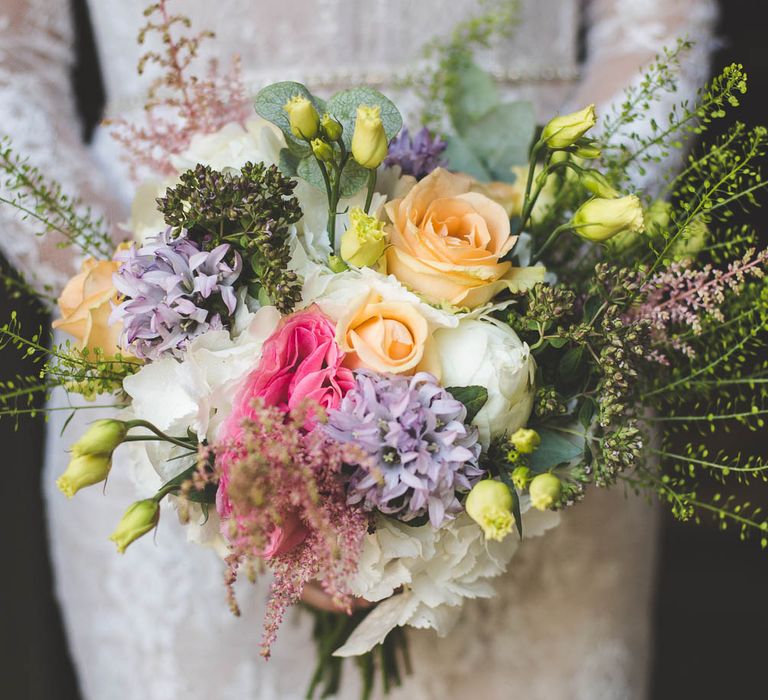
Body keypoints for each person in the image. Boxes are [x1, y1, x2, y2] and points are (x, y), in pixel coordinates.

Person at [0, 1, 717, 698]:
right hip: (177, 373)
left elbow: (654, 23)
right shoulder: (165, 354)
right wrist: (148, 320)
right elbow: (12, 62)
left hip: (524, 322)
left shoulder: (538, 323)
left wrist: (552, 283)